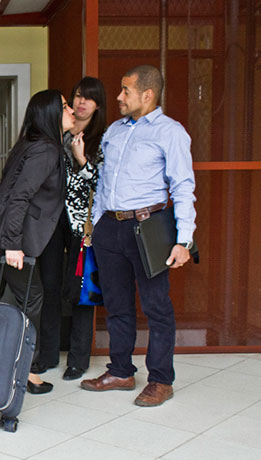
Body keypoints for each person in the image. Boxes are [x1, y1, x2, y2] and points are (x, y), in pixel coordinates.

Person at [80, 65, 196, 407]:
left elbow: (183, 186)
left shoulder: (170, 132)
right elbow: (102, 180)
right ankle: (120, 371)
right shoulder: (115, 130)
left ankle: (161, 379)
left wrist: (183, 240)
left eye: (125, 91)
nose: (118, 97)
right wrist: (97, 221)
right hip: (110, 228)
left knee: (156, 306)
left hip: (149, 228)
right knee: (116, 305)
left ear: (147, 95)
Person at [0, 89, 75, 395]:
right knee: (31, 298)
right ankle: (26, 371)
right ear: (52, 115)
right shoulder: (45, 150)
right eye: (66, 106)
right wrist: (13, 244)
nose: (72, 110)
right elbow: (20, 197)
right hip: (4, 234)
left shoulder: (32, 144)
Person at [33, 77, 107, 381]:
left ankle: (78, 358)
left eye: (88, 98)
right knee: (49, 287)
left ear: (97, 105)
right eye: (77, 96)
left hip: (83, 224)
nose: (80, 103)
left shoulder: (103, 139)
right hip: (52, 219)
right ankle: (47, 354)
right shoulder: (57, 131)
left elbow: (103, 184)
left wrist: (81, 160)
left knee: (81, 291)